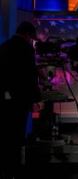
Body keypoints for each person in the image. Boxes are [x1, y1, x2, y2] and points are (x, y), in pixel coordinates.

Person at [0, 21, 42, 178]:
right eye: (31, 37)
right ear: (27, 35)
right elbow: (30, 76)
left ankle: (5, 167)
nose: (32, 40)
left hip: (4, 98)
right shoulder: (26, 49)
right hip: (20, 99)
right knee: (17, 134)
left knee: (5, 133)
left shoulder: (4, 46)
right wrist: (37, 99)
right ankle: (15, 169)